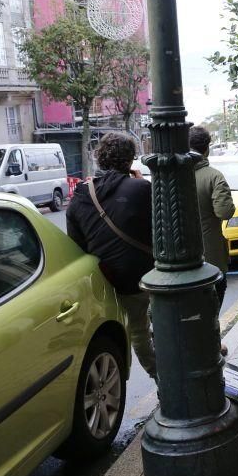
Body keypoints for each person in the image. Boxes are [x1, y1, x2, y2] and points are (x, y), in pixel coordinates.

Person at [67, 133, 157, 378]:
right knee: (161, 321)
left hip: (111, 279)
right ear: (130, 160)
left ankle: (158, 376)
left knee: (137, 329)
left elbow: (78, 246)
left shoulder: (80, 198)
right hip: (151, 271)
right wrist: (141, 183)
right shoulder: (140, 188)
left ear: (99, 159)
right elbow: (161, 228)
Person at [189, 126, 237, 308]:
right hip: (211, 257)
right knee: (211, 311)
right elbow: (224, 212)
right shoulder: (214, 177)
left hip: (179, 263)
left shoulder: (174, 176)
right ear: (207, 148)